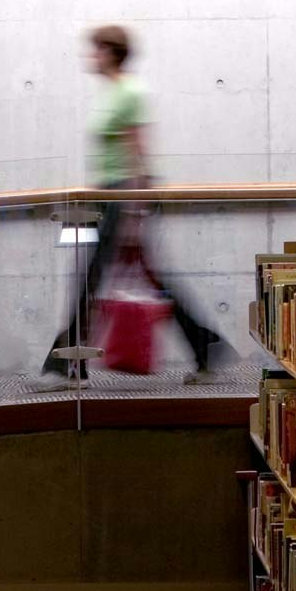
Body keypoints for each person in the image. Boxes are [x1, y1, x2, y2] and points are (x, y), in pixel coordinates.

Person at [32, 25, 221, 390]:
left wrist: (133, 213)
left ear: (111, 52)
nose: (90, 57)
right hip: (106, 200)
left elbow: (139, 153)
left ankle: (67, 367)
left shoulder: (131, 92)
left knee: (88, 282)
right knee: (148, 280)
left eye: (96, 50)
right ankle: (205, 346)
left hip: (122, 200)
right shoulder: (112, 92)